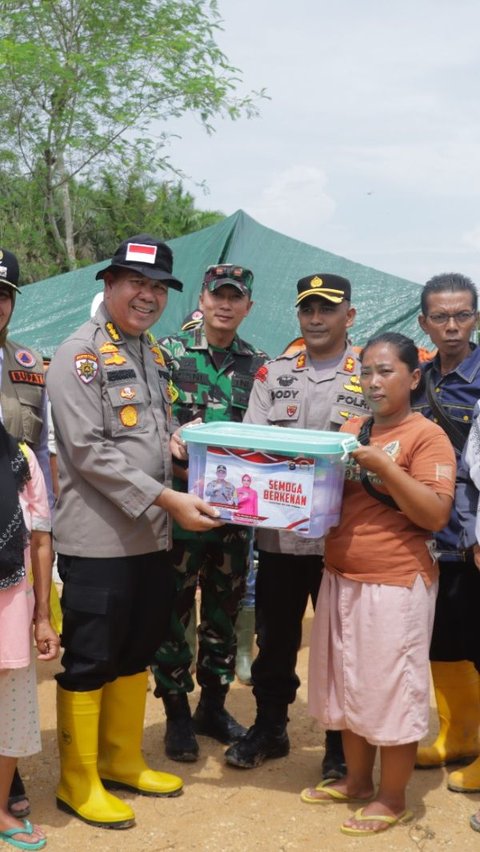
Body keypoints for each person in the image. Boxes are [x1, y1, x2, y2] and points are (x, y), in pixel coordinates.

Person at [46, 235, 222, 830]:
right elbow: (87, 450)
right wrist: (168, 496)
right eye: (135, 283)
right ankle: (77, 778)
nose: (147, 296)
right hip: (98, 539)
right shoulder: (80, 355)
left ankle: (120, 758)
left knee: (136, 649)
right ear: (109, 284)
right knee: (91, 656)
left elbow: (149, 429)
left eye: (157, 288)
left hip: (151, 535)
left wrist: (174, 442)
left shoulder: (148, 352)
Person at [300, 332, 455, 837]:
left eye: (385, 371)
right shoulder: (353, 427)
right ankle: (357, 782)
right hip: (342, 575)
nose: (372, 381)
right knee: (349, 686)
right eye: (365, 371)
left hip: (394, 583)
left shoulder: (425, 435)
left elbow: (434, 514)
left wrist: (387, 467)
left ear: (413, 377)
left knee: (390, 691)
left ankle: (392, 798)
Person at [225, 273, 365, 776]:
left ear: (348, 315)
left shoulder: (369, 373)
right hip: (280, 537)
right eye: (307, 308)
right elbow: (252, 447)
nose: (316, 318)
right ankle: (270, 727)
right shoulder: (272, 374)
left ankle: (337, 741)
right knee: (276, 639)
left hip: (343, 540)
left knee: (341, 643)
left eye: (327, 309)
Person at [151, 263, 268, 763]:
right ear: (201, 298)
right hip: (177, 509)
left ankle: (213, 706)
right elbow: (144, 421)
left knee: (224, 607)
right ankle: (177, 712)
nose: (225, 304)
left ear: (247, 306)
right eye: (216, 295)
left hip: (234, 515)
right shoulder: (166, 354)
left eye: (234, 297)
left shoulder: (258, 365)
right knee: (172, 611)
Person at [413, 273, 480, 783]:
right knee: (444, 641)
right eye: (441, 316)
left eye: (462, 315)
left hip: (474, 539)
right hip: (433, 540)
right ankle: (459, 736)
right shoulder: (419, 379)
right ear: (423, 322)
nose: (452, 326)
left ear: (475, 319)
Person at [0, 249, 54, 821]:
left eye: (3, 294)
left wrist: (45, 535)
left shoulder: (28, 363)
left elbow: (40, 452)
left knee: (11, 670)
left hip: (14, 543)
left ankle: (6, 784)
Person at [0, 424, 60, 851]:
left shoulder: (21, 459)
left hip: (11, 609)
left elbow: (40, 541)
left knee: (10, 714)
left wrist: (42, 616)